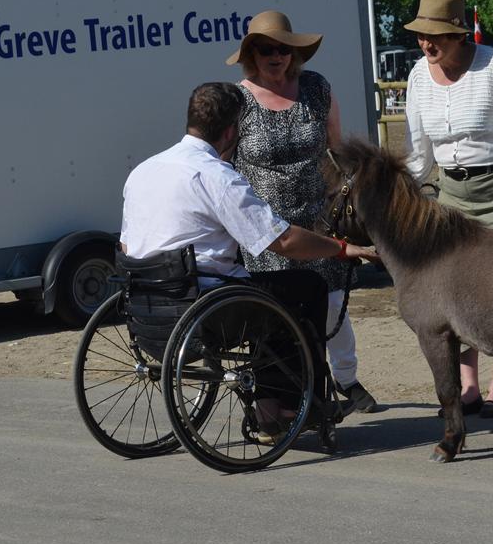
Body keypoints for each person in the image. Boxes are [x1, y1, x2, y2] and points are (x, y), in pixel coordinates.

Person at [120, 82, 378, 434]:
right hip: (205, 307)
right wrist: (341, 248)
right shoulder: (216, 177)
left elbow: (126, 248)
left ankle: (272, 402)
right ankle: (296, 402)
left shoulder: (143, 172)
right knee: (307, 288)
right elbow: (283, 240)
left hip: (148, 307)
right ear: (231, 131)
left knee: (262, 288)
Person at [403, 0, 493, 418]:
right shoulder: (416, 76)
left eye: (437, 38)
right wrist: (404, 197)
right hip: (450, 193)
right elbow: (416, 151)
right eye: (422, 37)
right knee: (454, 290)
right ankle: (468, 387)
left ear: (459, 36)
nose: (428, 45)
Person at [226, 11, 379, 413]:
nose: (274, 56)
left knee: (331, 304)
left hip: (318, 217)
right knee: (277, 314)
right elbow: (223, 165)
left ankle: (347, 378)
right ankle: (289, 393)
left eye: (282, 48)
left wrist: (348, 207)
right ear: (251, 54)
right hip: (265, 227)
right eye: (265, 49)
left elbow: (337, 150)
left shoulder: (316, 88)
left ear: (293, 52)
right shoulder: (237, 100)